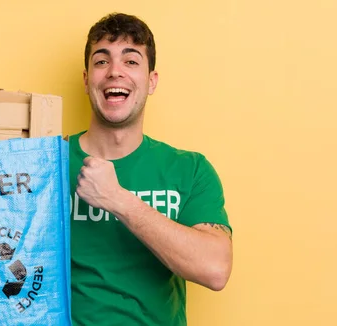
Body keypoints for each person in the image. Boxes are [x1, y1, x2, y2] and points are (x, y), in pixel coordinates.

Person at [67, 12, 233, 325]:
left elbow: (215, 269)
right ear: (86, 79)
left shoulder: (190, 169)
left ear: (151, 81)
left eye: (131, 61)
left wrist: (117, 199)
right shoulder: (46, 164)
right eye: (102, 61)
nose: (115, 72)